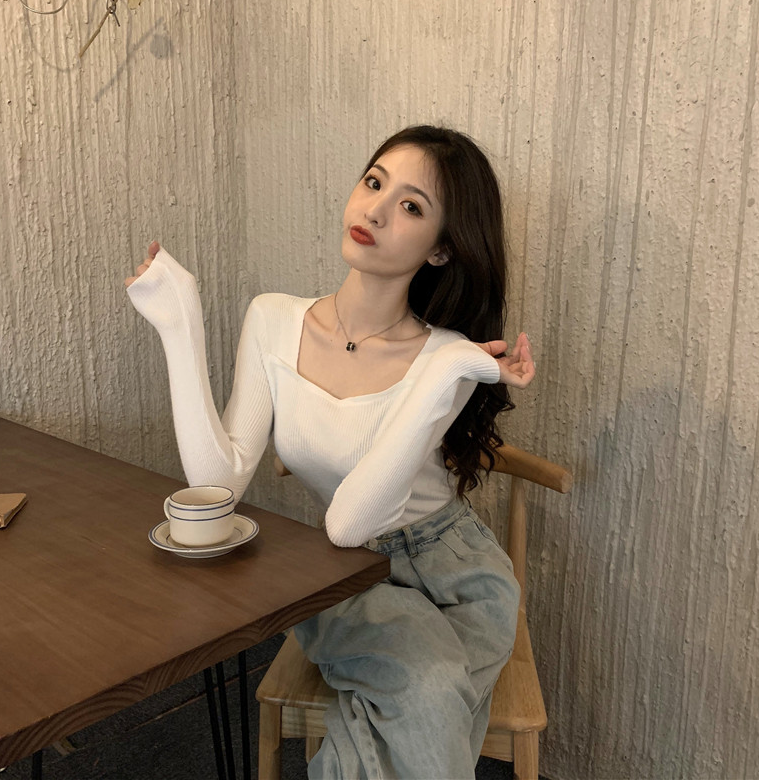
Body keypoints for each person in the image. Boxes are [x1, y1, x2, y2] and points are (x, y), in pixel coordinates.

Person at [125, 125, 535, 779]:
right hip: (343, 573)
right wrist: (179, 323)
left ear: (441, 249)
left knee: (417, 705)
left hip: (462, 575)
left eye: (411, 206)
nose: (376, 209)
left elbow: (351, 515)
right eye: (374, 183)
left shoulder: (448, 358)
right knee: (430, 694)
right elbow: (222, 486)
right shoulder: (273, 319)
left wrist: (447, 370)